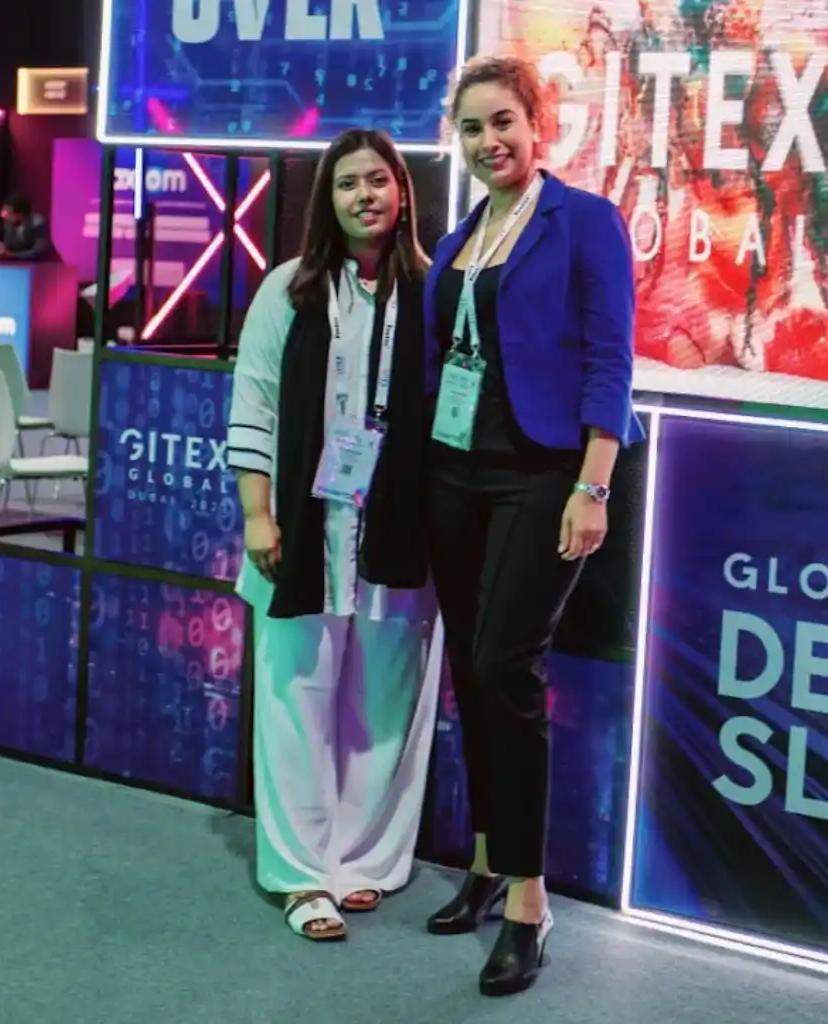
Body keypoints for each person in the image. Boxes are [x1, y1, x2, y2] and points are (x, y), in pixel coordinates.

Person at [423, 55, 643, 996]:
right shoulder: (460, 236)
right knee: (473, 669)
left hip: (545, 474)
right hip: (453, 474)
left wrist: (593, 484)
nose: (488, 142)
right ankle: (484, 856)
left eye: (503, 121)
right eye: (472, 128)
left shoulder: (585, 221)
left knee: (510, 666)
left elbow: (610, 355)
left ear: (537, 121)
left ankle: (529, 900)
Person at [227, 128, 440, 943]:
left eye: (378, 181)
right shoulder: (289, 290)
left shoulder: (432, 290)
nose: (365, 196)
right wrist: (258, 513)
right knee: (295, 702)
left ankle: (365, 862)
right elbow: (254, 406)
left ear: (402, 192)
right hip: (304, 532)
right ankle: (300, 873)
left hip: (398, 533)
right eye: (348, 183)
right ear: (328, 200)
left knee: (385, 706)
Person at [0, 196, 53, 261]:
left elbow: (39, 251)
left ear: (21, 214)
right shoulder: (8, 224)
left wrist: (13, 255)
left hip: (38, 265)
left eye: (9, 212)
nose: (4, 216)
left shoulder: (37, 223)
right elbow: (9, 245)